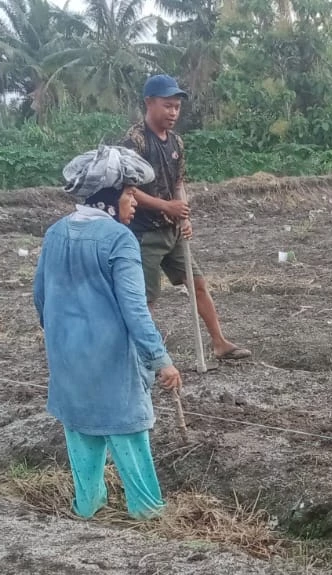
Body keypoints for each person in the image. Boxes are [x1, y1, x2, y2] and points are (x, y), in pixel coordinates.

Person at [34, 145, 183, 520]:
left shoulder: (55, 234)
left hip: (67, 361)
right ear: (110, 196)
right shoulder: (119, 240)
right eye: (130, 194)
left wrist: (63, 339)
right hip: (111, 364)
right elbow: (135, 311)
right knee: (130, 440)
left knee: (82, 439)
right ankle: (148, 515)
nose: (134, 203)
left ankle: (87, 510)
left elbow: (41, 299)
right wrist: (161, 360)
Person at [121, 74, 252, 362]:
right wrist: (165, 206)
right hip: (144, 234)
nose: (173, 113)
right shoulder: (135, 141)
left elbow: (178, 182)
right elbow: (127, 190)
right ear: (149, 103)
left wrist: (184, 214)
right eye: (167, 106)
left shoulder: (177, 143)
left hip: (173, 231)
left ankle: (219, 342)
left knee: (198, 283)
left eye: (177, 107)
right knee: (147, 299)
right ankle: (142, 356)